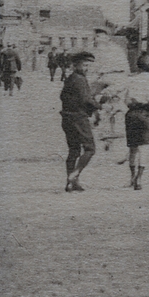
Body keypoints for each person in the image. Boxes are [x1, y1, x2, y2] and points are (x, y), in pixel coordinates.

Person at [60, 52, 100, 192]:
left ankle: (70, 183)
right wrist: (99, 106)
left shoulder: (70, 78)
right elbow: (86, 100)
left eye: (89, 66)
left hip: (67, 118)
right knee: (90, 149)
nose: (87, 68)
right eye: (85, 65)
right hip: (79, 119)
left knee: (74, 150)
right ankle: (75, 174)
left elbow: (63, 97)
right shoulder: (80, 79)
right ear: (76, 65)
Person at [121, 54, 149, 190]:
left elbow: (126, 100)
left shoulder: (132, 81)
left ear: (138, 67)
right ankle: (139, 178)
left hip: (132, 113)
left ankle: (132, 177)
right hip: (146, 113)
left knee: (133, 148)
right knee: (144, 148)